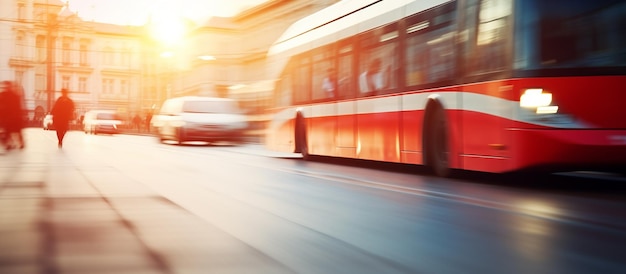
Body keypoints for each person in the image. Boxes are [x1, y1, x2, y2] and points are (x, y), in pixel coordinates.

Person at [0, 81, 25, 150]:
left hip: (11, 117)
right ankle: (10, 144)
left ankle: (11, 143)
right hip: (9, 117)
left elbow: (16, 107)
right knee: (11, 131)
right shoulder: (10, 95)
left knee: (13, 131)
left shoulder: (11, 95)